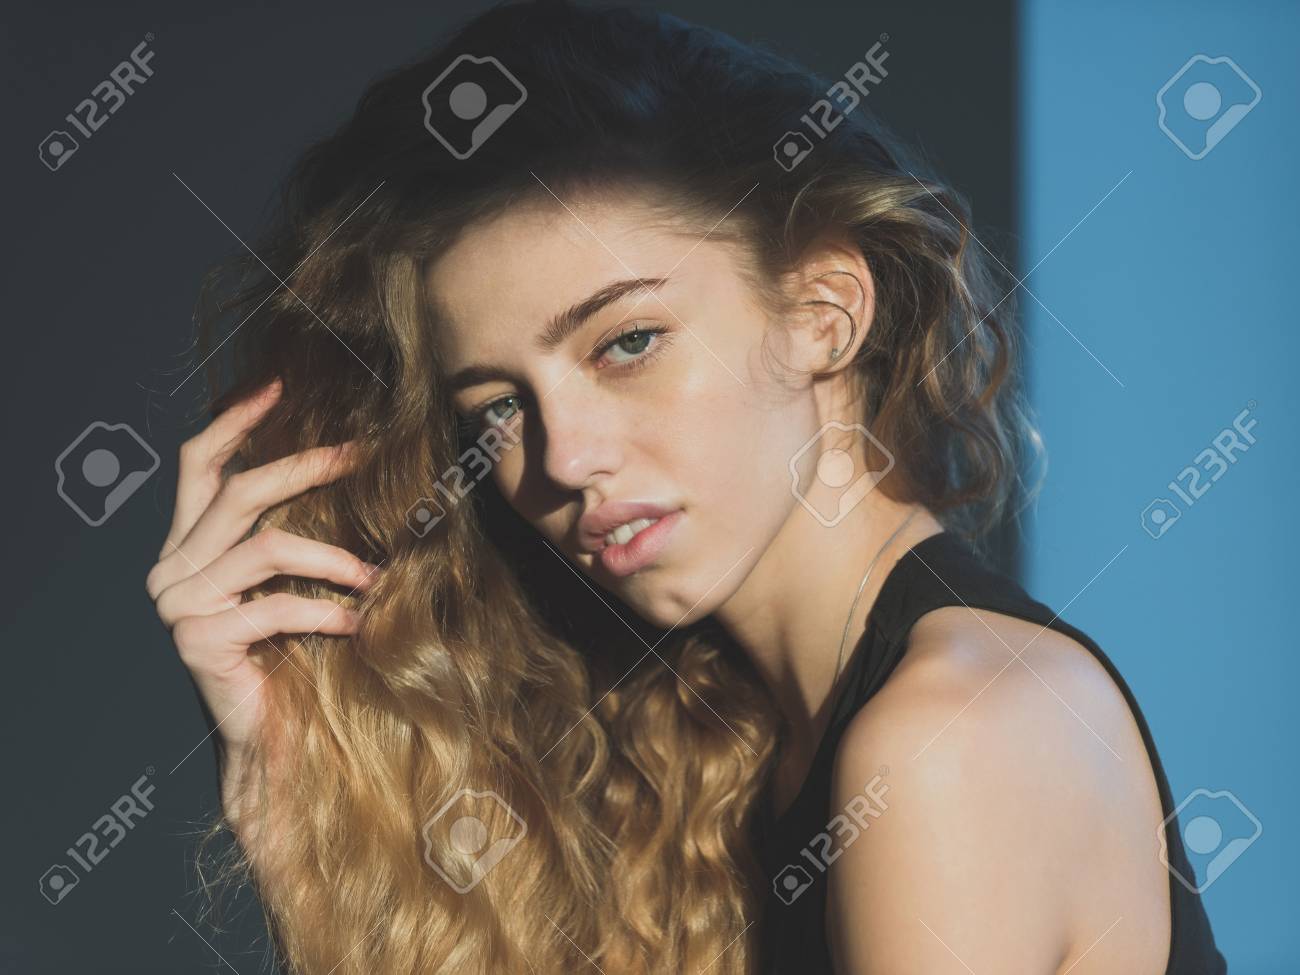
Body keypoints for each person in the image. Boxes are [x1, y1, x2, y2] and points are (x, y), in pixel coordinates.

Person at [144, 1, 1227, 972]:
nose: (564, 459)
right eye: (499, 409)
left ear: (822, 313)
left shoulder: (951, 739)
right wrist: (291, 818)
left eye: (628, 342)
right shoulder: (718, 750)